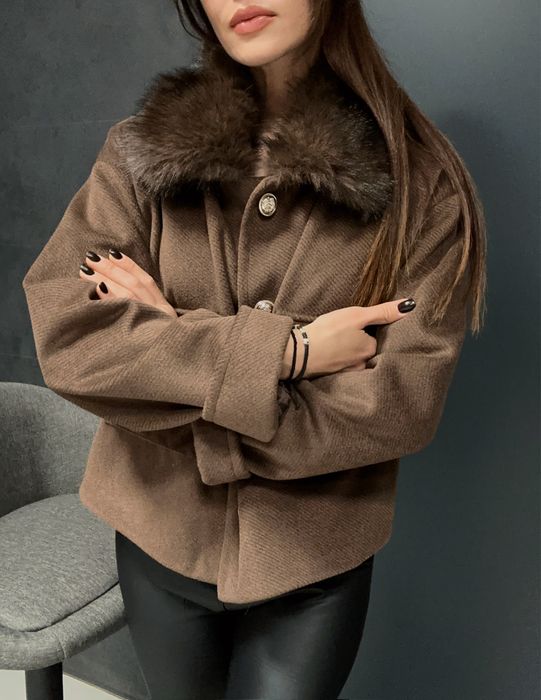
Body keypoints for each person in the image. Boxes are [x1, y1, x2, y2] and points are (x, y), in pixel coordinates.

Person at [22, 0, 487, 698]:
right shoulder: (137, 153)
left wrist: (167, 334)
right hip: (156, 540)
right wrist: (291, 353)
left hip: (310, 565)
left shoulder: (423, 187)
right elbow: (71, 338)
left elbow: (396, 406)